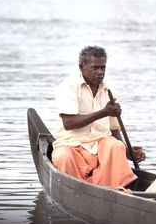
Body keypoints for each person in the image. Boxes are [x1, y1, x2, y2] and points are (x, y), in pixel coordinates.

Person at [51, 46, 146, 188]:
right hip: (71, 144)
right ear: (82, 67)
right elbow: (69, 123)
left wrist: (128, 152)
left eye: (103, 68)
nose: (100, 72)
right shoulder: (68, 86)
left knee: (116, 146)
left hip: (100, 143)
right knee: (63, 157)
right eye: (95, 68)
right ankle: (76, 190)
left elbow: (114, 129)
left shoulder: (108, 90)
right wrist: (103, 112)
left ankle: (112, 188)